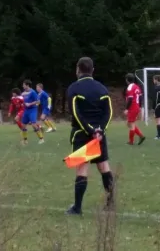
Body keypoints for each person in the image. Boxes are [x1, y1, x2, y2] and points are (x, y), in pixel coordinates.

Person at [65, 57, 114, 215]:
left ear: (78, 69)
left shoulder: (74, 88)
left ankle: (77, 207)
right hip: (99, 135)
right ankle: (110, 203)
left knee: (82, 167)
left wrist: (90, 130)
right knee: (104, 166)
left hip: (82, 133)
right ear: (93, 70)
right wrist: (100, 130)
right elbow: (108, 112)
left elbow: (76, 113)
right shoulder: (102, 89)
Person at [21, 80, 45, 145]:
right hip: (26, 110)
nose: (22, 86)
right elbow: (22, 101)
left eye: (23, 85)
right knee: (23, 126)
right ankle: (25, 140)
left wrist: (30, 104)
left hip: (32, 110)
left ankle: (41, 139)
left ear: (27, 85)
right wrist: (22, 104)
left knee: (33, 125)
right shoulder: (23, 93)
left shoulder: (33, 92)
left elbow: (38, 101)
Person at [124, 73, 146, 145]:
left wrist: (127, 109)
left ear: (127, 80)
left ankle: (131, 141)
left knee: (131, 124)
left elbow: (130, 99)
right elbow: (140, 97)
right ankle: (140, 136)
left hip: (132, 107)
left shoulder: (130, 87)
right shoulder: (137, 87)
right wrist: (139, 107)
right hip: (136, 107)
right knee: (129, 123)